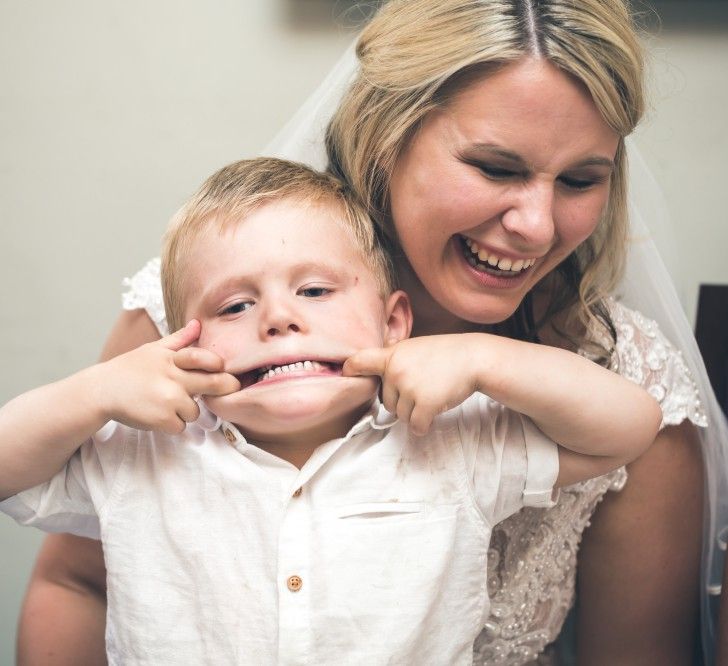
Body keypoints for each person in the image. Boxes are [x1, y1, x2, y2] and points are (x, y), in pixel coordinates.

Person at [17, 0, 726, 664]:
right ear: (388, 139)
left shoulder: (614, 381)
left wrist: (485, 360)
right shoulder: (201, 328)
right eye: (494, 167)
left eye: (579, 181)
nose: (538, 226)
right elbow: (79, 580)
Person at [0, 157, 661, 663]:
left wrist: (487, 359)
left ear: (393, 323)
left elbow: (629, 428)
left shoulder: (453, 446)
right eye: (235, 306)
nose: (281, 318)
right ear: (182, 341)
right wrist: (93, 390)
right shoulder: (143, 456)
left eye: (315, 290)